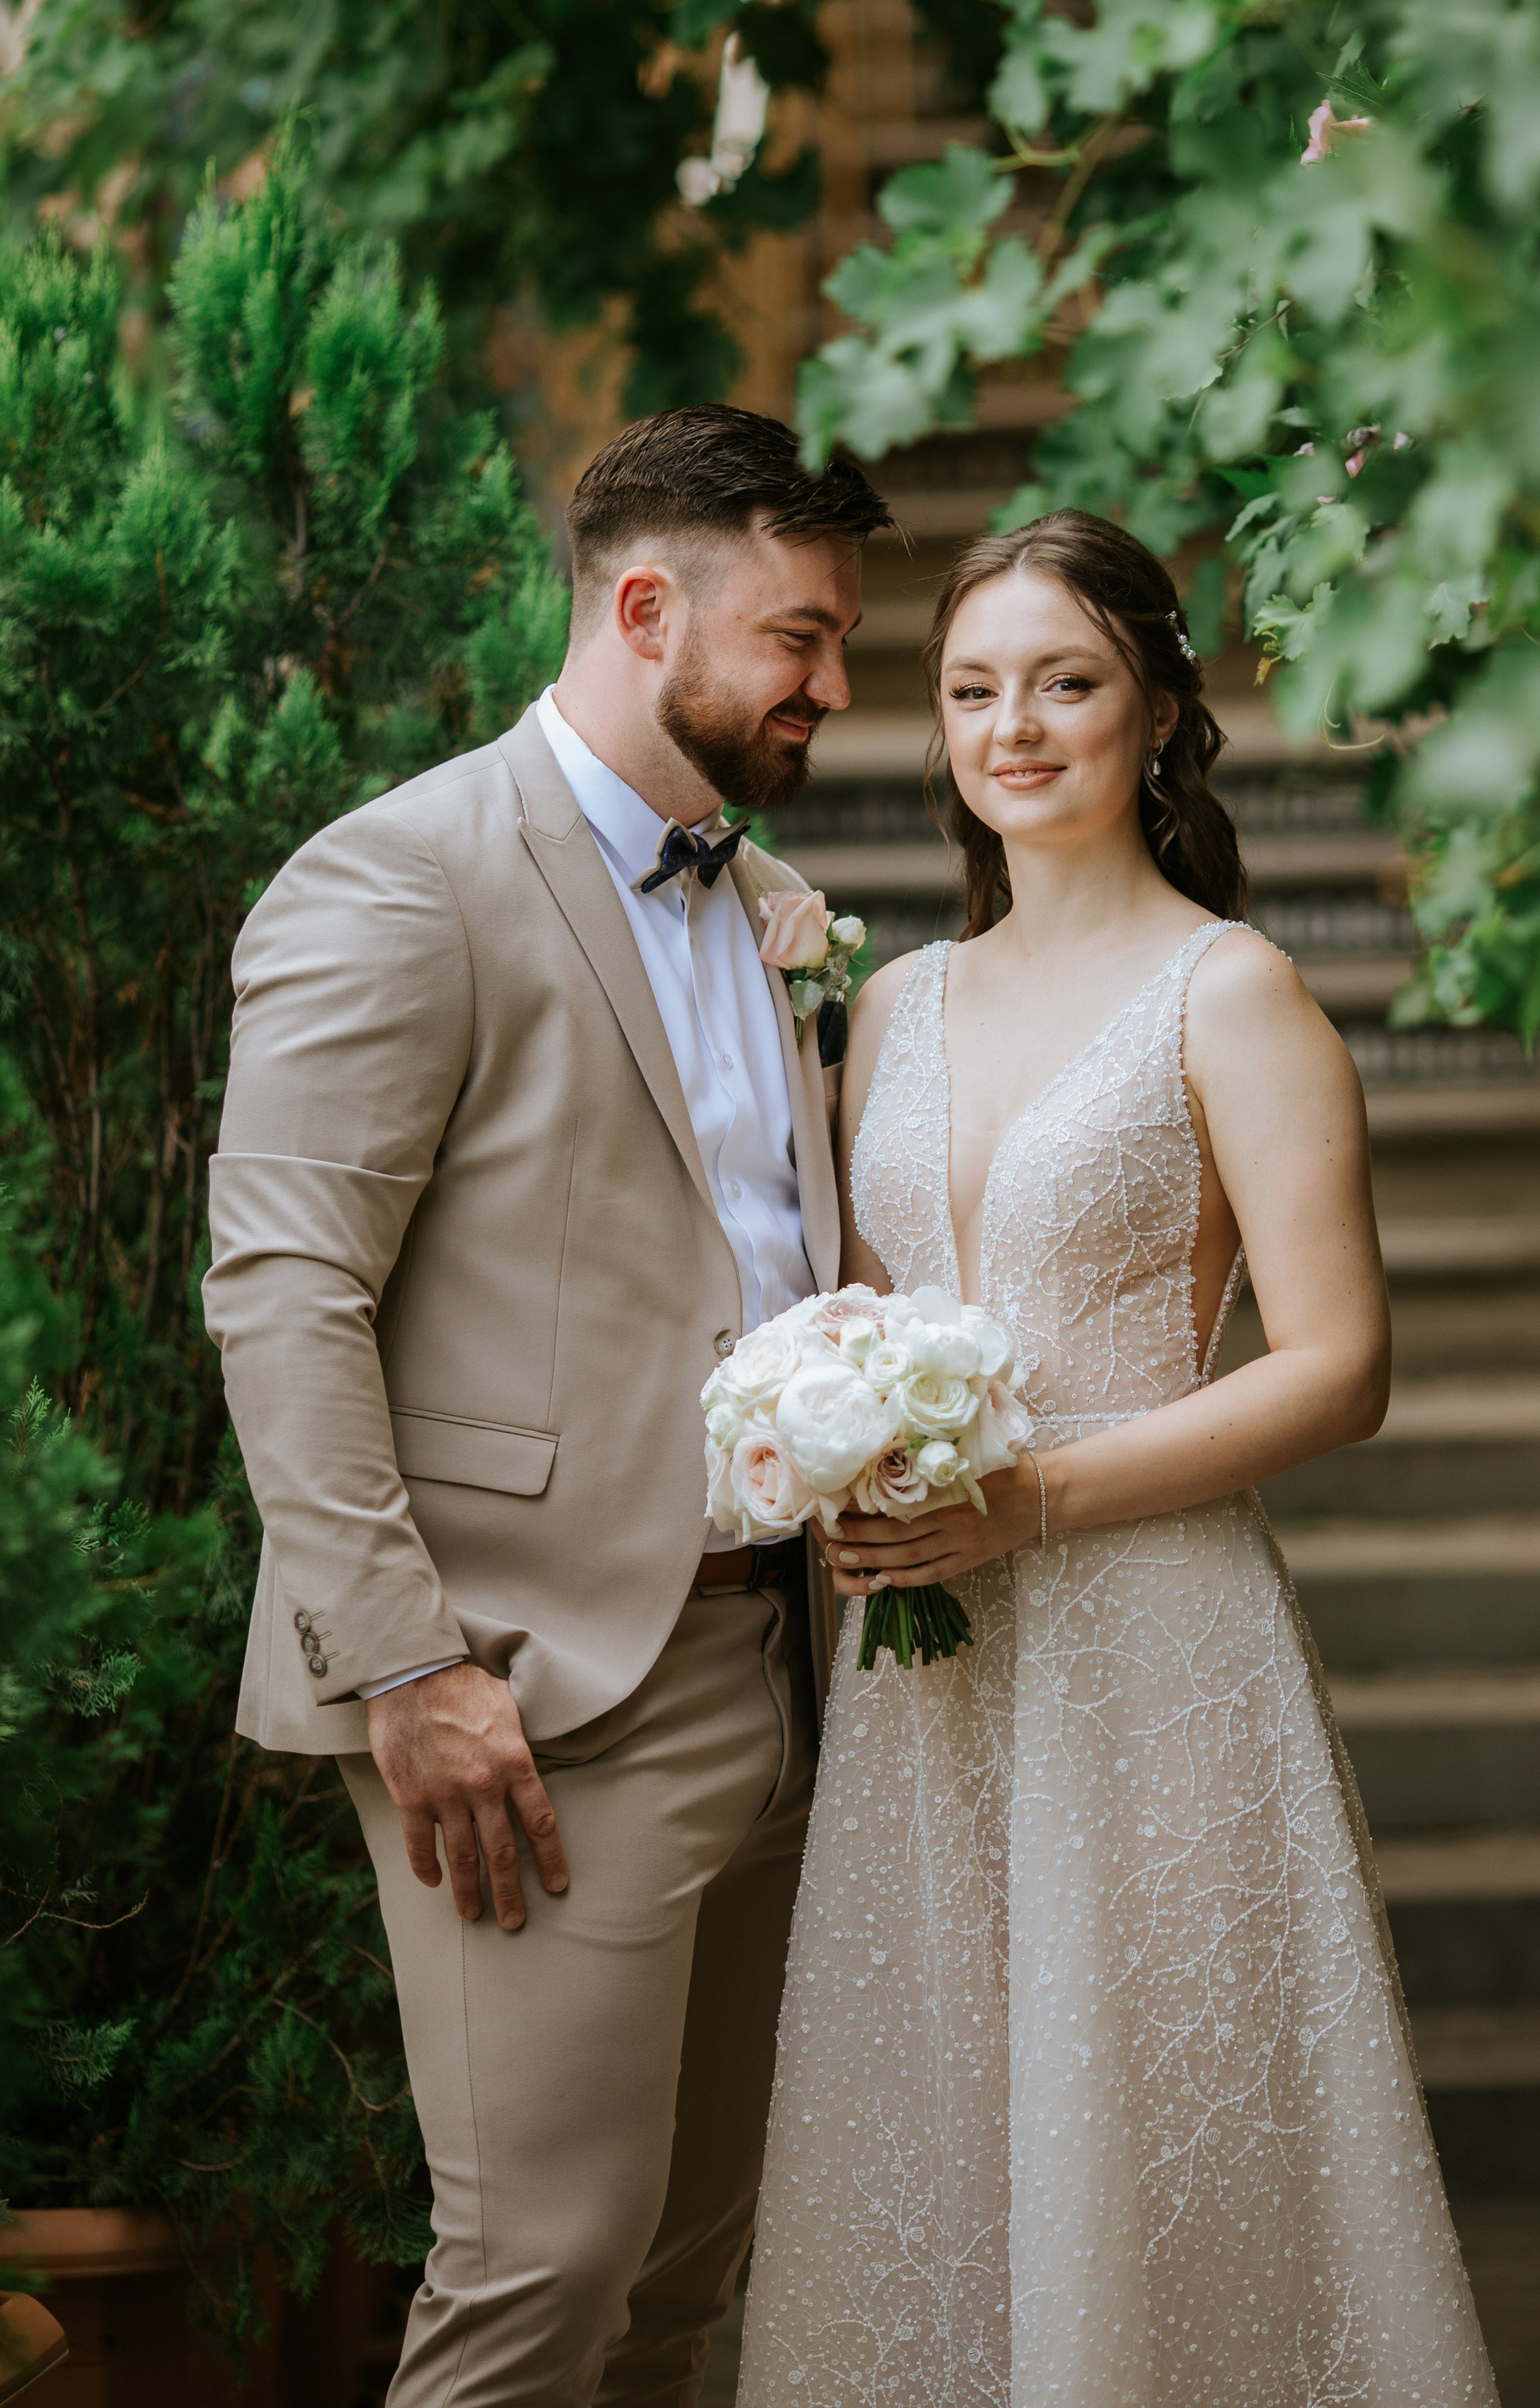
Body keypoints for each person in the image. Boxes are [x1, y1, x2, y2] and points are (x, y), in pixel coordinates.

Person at [738, 513, 1498, 2407]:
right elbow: (852, 1311)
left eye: (1066, 683)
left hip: (1157, 1644)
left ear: (1157, 713)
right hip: (931, 1669)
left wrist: (1039, 1497)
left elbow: (1341, 1369)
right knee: (934, 2148)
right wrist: (844, 1446)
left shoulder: (1230, 994)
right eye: (975, 689)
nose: (1016, 728)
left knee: (1162, 2149)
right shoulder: (894, 1005)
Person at [203, 404, 890, 2405]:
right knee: (539, 2283)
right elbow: (283, 1290)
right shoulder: (400, 878)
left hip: (782, 1656)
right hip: (532, 1687)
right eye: (802, 640)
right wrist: (412, 1667)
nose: (834, 688)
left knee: (693, 2283)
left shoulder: (767, 903)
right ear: (645, 604)